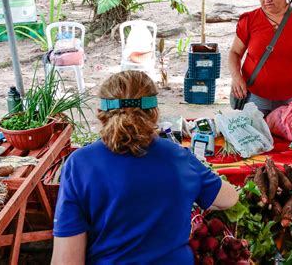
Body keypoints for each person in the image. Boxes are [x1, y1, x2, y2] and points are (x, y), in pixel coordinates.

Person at [51, 71, 239, 264]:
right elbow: (230, 199)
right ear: (154, 113)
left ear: (101, 113)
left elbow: (66, 261)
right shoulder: (179, 157)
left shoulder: (79, 165)